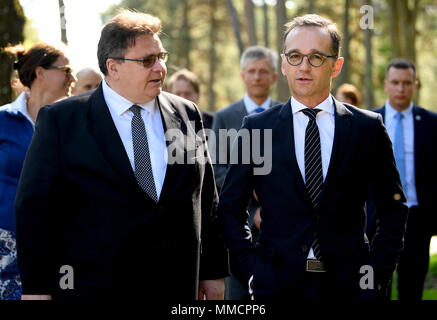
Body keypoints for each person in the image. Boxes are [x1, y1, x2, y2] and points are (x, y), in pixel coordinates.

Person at [15, 9, 228, 300]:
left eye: (161, 57)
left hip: (176, 286)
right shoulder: (62, 121)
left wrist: (213, 272)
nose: (160, 68)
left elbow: (205, 198)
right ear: (112, 67)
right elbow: (34, 208)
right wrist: (37, 288)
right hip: (96, 288)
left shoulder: (186, 113)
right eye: (147, 61)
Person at [218, 14, 408, 301]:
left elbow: (393, 208)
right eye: (295, 56)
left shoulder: (368, 128)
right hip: (276, 285)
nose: (304, 66)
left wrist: (377, 272)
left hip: (351, 286)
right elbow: (230, 207)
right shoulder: (256, 128)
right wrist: (251, 270)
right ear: (283, 64)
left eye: (316, 57)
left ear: (336, 65)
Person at [0, 43, 75, 300]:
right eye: (66, 70)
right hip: (4, 245)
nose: (72, 78)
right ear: (40, 73)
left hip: (59, 247)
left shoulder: (75, 126)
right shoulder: (2, 120)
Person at [211, 45, 279, 300]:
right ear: (242, 76)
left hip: (282, 223)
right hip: (239, 224)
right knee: (239, 295)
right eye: (252, 71)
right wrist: (253, 196)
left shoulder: (287, 115)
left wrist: (271, 204)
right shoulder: (225, 117)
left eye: (263, 71)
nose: (257, 77)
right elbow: (217, 168)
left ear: (274, 76)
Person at [369, 58, 437, 300]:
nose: (401, 88)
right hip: (376, 218)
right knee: (376, 287)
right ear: (386, 84)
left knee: (412, 286)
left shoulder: (432, 123)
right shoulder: (366, 122)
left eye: (406, 83)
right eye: (395, 82)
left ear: (415, 85)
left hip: (417, 219)